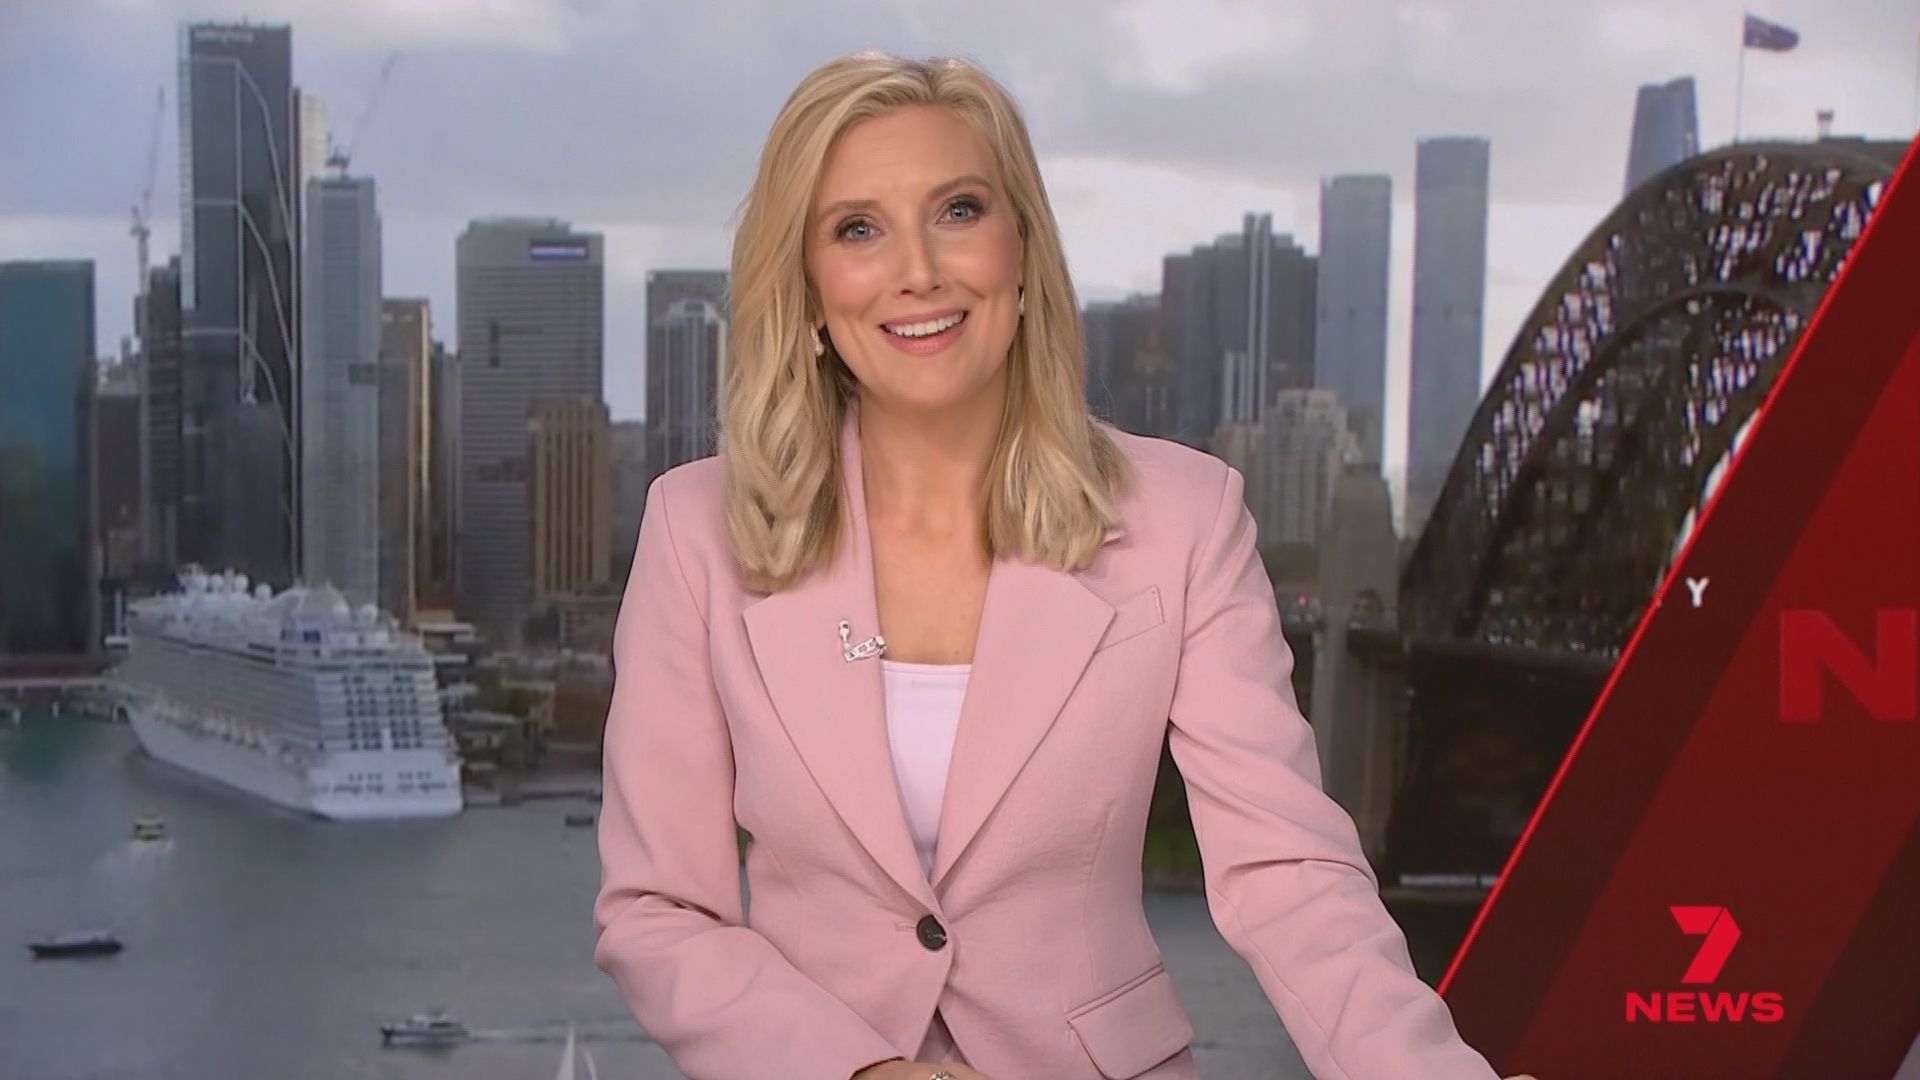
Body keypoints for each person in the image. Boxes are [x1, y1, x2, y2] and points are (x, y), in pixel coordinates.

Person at [594, 51, 1535, 1080]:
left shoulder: (1185, 518)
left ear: (1024, 249)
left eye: (958, 211)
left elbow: (1289, 874)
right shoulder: (694, 530)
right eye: (858, 229)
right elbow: (657, 910)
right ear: (810, 292)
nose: (919, 270)